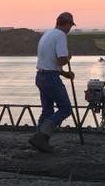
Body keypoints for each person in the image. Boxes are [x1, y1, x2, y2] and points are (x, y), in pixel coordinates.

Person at [29, 12, 76, 153]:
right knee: (66, 108)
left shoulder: (47, 34)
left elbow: (49, 62)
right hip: (50, 78)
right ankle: (41, 137)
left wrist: (64, 73)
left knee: (48, 110)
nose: (70, 29)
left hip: (41, 76)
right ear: (66, 24)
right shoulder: (61, 36)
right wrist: (68, 58)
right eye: (70, 26)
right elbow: (61, 59)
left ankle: (39, 138)